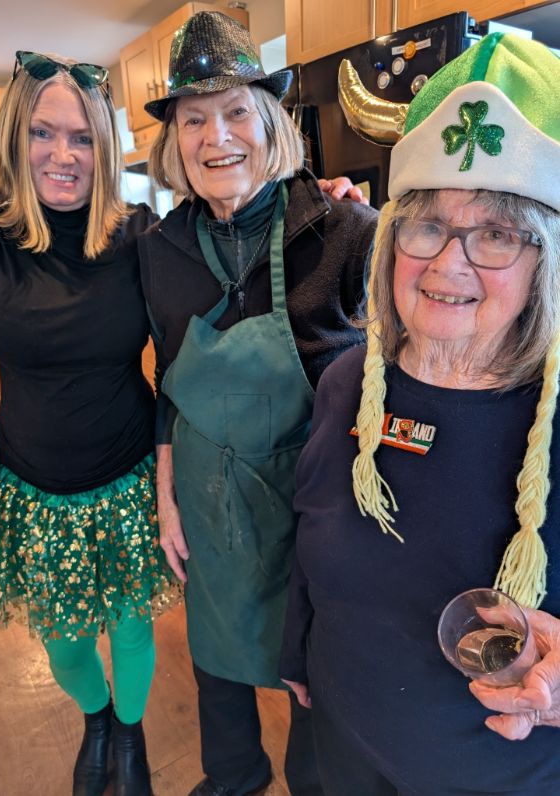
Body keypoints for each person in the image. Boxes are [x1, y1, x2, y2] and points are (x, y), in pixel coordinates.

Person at [279, 32, 560, 796]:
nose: (447, 262)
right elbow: (311, 539)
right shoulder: (347, 382)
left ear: (546, 261)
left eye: (496, 233)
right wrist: (297, 659)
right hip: (340, 750)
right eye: (427, 224)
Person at [138, 11, 378, 796]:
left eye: (237, 111)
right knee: (215, 663)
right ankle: (232, 780)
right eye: (193, 119)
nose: (217, 137)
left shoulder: (342, 228)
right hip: (208, 505)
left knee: (315, 677)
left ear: (271, 121)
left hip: (317, 507)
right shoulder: (160, 251)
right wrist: (167, 496)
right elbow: (168, 380)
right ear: (174, 139)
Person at [0, 50, 177, 796]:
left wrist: (315, 196)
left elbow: (224, 247)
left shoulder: (140, 235)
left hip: (130, 477)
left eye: (83, 137)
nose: (64, 154)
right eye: (44, 133)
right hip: (32, 488)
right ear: (15, 138)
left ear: (105, 147)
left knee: (133, 629)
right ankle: (98, 717)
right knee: (66, 646)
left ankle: (130, 730)